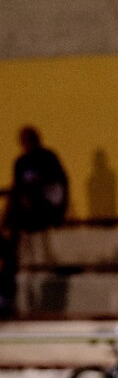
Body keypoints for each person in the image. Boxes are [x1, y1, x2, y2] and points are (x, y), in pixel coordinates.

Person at [1, 126, 69, 316]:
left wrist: (58, 214)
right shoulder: (21, 163)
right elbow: (16, 191)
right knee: (9, 235)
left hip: (45, 212)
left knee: (22, 199)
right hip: (27, 215)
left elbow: (59, 190)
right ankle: (6, 291)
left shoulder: (48, 159)